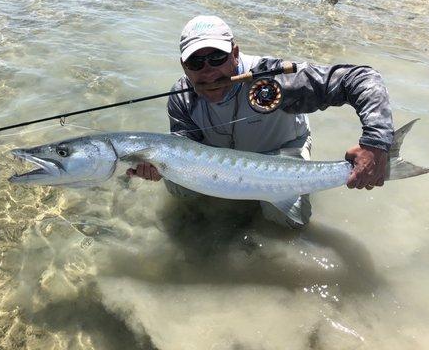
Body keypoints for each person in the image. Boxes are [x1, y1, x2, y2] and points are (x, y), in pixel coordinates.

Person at [126, 15, 393, 229]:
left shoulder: (276, 78)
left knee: (287, 224)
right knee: (179, 186)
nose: (207, 71)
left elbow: (362, 78)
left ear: (235, 53)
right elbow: (186, 152)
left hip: (282, 151)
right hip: (223, 162)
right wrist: (157, 168)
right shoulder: (181, 98)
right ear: (184, 65)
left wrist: (376, 143)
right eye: (195, 62)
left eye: (217, 58)